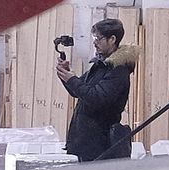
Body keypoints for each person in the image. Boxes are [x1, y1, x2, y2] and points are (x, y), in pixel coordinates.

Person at [58, 20, 136, 161]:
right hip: (86, 143)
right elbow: (78, 91)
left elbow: (97, 98)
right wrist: (66, 75)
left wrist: (71, 79)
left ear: (112, 39)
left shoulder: (118, 70)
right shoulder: (101, 65)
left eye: (98, 39)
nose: (94, 43)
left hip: (100, 146)